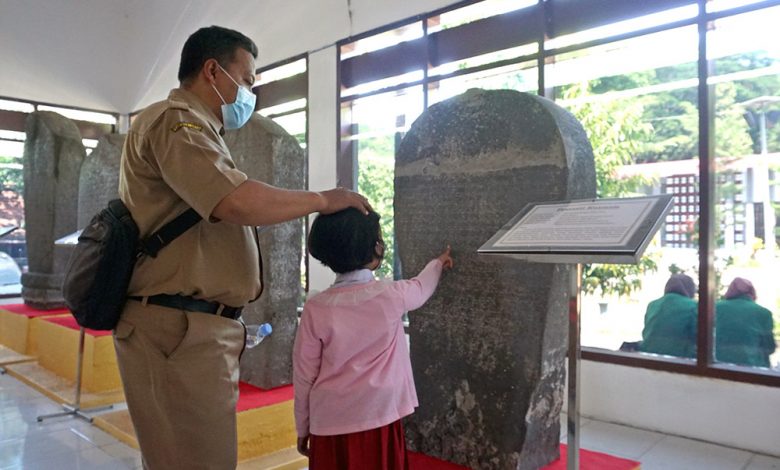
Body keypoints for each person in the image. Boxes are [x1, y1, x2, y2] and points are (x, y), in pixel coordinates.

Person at [113, 26, 371, 470]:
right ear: (212, 71)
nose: (251, 93)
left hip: (192, 329)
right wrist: (324, 200)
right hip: (176, 330)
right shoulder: (177, 122)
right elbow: (234, 200)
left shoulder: (200, 130)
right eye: (247, 80)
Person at [293, 208, 454, 469]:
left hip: (330, 421)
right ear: (375, 248)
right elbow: (422, 287)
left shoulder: (316, 307)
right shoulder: (391, 295)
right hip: (380, 415)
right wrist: (438, 263)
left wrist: (303, 425)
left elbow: (304, 374)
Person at [715, 277, 776, 368]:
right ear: (752, 292)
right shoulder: (763, 313)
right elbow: (769, 347)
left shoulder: (714, 308)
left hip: (717, 364)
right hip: (752, 368)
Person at [639, 273, 698, 358]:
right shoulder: (693, 306)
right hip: (678, 359)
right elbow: (698, 337)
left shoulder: (652, 305)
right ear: (690, 289)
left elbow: (648, 332)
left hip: (648, 355)